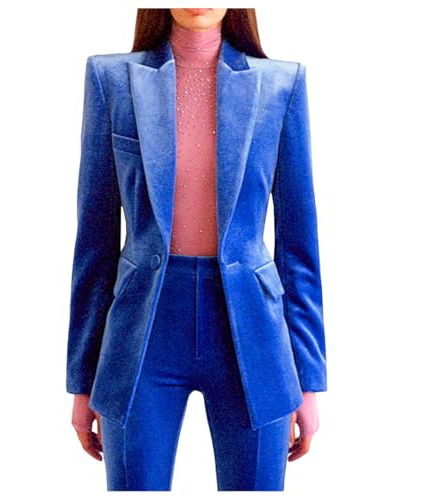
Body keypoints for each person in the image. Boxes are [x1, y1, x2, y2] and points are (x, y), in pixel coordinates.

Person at [66, 7, 327, 491]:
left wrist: (309, 379)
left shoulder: (281, 85)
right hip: (141, 338)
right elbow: (94, 243)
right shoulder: (112, 80)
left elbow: (298, 248)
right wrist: (82, 381)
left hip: (254, 339)